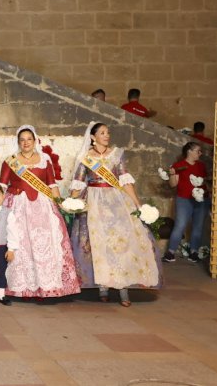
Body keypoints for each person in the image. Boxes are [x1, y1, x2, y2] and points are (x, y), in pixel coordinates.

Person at [69, 122, 162, 306]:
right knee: (99, 245)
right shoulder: (85, 157)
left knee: (121, 244)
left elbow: (125, 180)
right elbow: (78, 183)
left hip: (116, 202)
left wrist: (137, 204)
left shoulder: (116, 154)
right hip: (94, 203)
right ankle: (103, 286)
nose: (106, 135)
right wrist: (70, 202)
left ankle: (123, 289)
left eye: (108, 132)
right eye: (102, 133)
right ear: (93, 137)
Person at [0, 125, 80, 299]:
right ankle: (21, 287)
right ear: (18, 142)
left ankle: (46, 286)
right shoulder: (10, 161)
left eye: (29, 139)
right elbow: (2, 187)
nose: (26, 142)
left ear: (35, 141)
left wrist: (62, 206)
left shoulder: (45, 159)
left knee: (44, 244)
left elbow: (52, 186)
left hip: (43, 207)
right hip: (18, 206)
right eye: (22, 140)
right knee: (21, 245)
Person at [165, 141, 210, 263]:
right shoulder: (179, 165)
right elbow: (173, 185)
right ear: (189, 151)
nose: (200, 153)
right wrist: (172, 175)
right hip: (184, 199)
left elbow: (205, 182)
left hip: (202, 200)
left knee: (198, 226)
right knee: (180, 225)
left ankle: (194, 252)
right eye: (198, 151)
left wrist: (208, 195)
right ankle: (171, 252)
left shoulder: (201, 166)